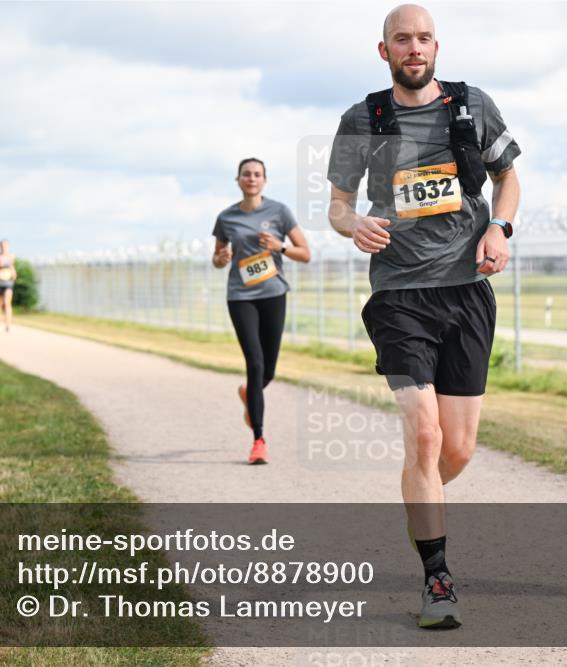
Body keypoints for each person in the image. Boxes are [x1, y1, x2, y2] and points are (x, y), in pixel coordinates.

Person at [326, 4, 520, 629]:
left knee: (456, 450)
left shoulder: (470, 105)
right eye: (402, 39)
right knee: (426, 434)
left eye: (424, 38)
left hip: (466, 292)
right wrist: (352, 222)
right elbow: (336, 204)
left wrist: (500, 226)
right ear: (383, 50)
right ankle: (437, 579)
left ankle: (421, 495)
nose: (414, 47)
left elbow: (507, 177)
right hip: (399, 295)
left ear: (437, 46)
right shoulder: (364, 118)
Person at [212, 157, 311, 464]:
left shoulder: (279, 211)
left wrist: (278, 247)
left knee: (268, 370)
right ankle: (259, 440)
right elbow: (216, 258)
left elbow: (305, 254)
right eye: (246, 174)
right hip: (241, 296)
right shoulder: (226, 218)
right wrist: (222, 257)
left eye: (257, 174)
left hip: (273, 294)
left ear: (264, 180)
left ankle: (248, 393)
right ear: (238, 180)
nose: (251, 178)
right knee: (254, 364)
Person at [0, 239, 17, 332]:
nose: (4, 247)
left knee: (7, 303)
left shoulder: (11, 256)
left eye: (5, 245)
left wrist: (12, 269)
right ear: (0, 246)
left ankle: (8, 325)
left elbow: (12, 269)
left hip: (8, 282)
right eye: (2, 246)